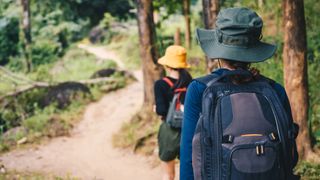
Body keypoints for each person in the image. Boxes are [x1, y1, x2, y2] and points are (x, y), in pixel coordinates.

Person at [180, 7, 299, 180]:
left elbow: (188, 157)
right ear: (254, 49)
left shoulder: (200, 89)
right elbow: (289, 154)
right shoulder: (274, 90)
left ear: (218, 47)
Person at [154, 45, 192, 180]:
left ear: (167, 66)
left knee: (168, 175)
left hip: (169, 132)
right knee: (188, 173)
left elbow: (161, 111)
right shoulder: (192, 83)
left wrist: (156, 109)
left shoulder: (161, 84)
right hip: (190, 131)